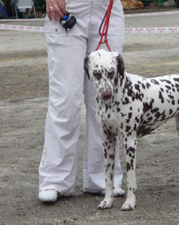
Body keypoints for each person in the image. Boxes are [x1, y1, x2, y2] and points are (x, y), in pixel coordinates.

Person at [38, 0, 125, 202]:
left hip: (108, 9)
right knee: (66, 99)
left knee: (106, 100)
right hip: (66, 7)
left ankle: (104, 178)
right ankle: (55, 179)